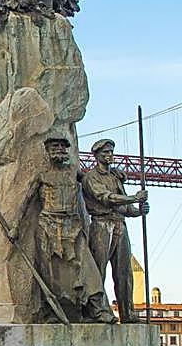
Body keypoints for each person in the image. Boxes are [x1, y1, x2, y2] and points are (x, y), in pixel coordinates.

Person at [9, 137, 114, 324]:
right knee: (51, 273)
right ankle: (53, 313)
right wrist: (16, 226)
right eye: (54, 147)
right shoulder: (42, 175)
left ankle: (98, 309)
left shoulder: (75, 173)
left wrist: (114, 176)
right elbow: (25, 201)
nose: (59, 150)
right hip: (48, 226)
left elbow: (94, 182)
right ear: (48, 151)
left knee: (88, 269)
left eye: (62, 147)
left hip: (73, 226)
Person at [82, 138, 149, 323]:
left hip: (120, 225)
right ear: (96, 156)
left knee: (124, 272)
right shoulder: (90, 178)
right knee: (98, 272)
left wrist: (138, 211)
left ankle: (127, 313)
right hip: (101, 226)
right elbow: (107, 199)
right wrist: (134, 198)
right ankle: (96, 312)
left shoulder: (115, 178)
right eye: (105, 152)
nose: (109, 155)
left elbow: (125, 207)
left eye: (111, 152)